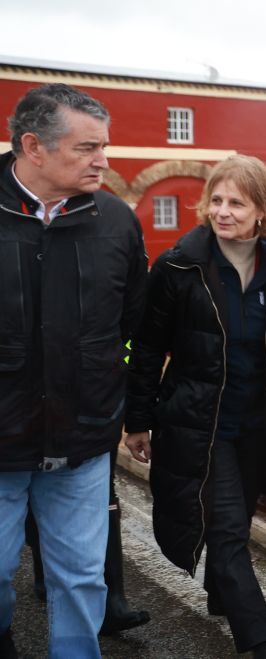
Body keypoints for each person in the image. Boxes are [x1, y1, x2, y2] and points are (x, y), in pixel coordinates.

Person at [123, 154, 266, 658]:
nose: (223, 211)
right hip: (201, 423)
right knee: (228, 527)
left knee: (231, 521)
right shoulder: (179, 267)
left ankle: (221, 596)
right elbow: (147, 348)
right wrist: (137, 420)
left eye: (237, 202)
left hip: (262, 425)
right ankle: (260, 639)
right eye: (216, 200)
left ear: (261, 211)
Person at [0, 83, 147, 659]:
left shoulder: (116, 221)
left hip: (82, 441)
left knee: (83, 577)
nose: (103, 161)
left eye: (103, 146)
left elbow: (134, 329)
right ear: (33, 147)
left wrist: (131, 413)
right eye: (87, 148)